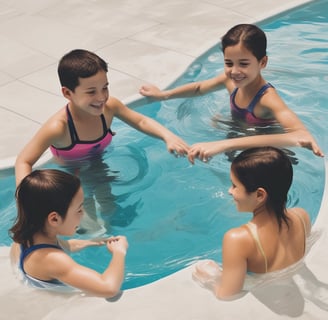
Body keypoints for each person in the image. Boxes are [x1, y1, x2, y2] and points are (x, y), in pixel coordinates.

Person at [15, 49, 190, 231]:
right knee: (86, 219)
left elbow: (141, 120)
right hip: (75, 178)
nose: (101, 97)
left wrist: (167, 136)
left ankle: (112, 226)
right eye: (91, 92)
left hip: (99, 163)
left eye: (105, 87)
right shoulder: (59, 127)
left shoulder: (109, 108)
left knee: (110, 205)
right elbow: (24, 160)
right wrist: (28, 201)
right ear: (68, 93)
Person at [139, 24, 323, 163]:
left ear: (263, 62)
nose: (234, 71)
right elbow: (200, 88)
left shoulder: (267, 99)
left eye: (243, 64)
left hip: (267, 148)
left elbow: (301, 136)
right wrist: (163, 95)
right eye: (229, 63)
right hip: (237, 134)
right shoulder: (230, 81)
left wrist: (223, 144)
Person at [191, 146, 311, 300]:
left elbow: (227, 295)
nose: (230, 191)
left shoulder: (238, 239)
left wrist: (210, 279)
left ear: (260, 195)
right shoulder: (302, 216)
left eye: (235, 186)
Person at [9, 169, 128, 298]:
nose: (83, 214)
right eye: (79, 210)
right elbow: (108, 289)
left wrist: (91, 242)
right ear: (54, 219)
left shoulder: (29, 233)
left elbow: (65, 245)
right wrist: (119, 252)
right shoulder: (52, 259)